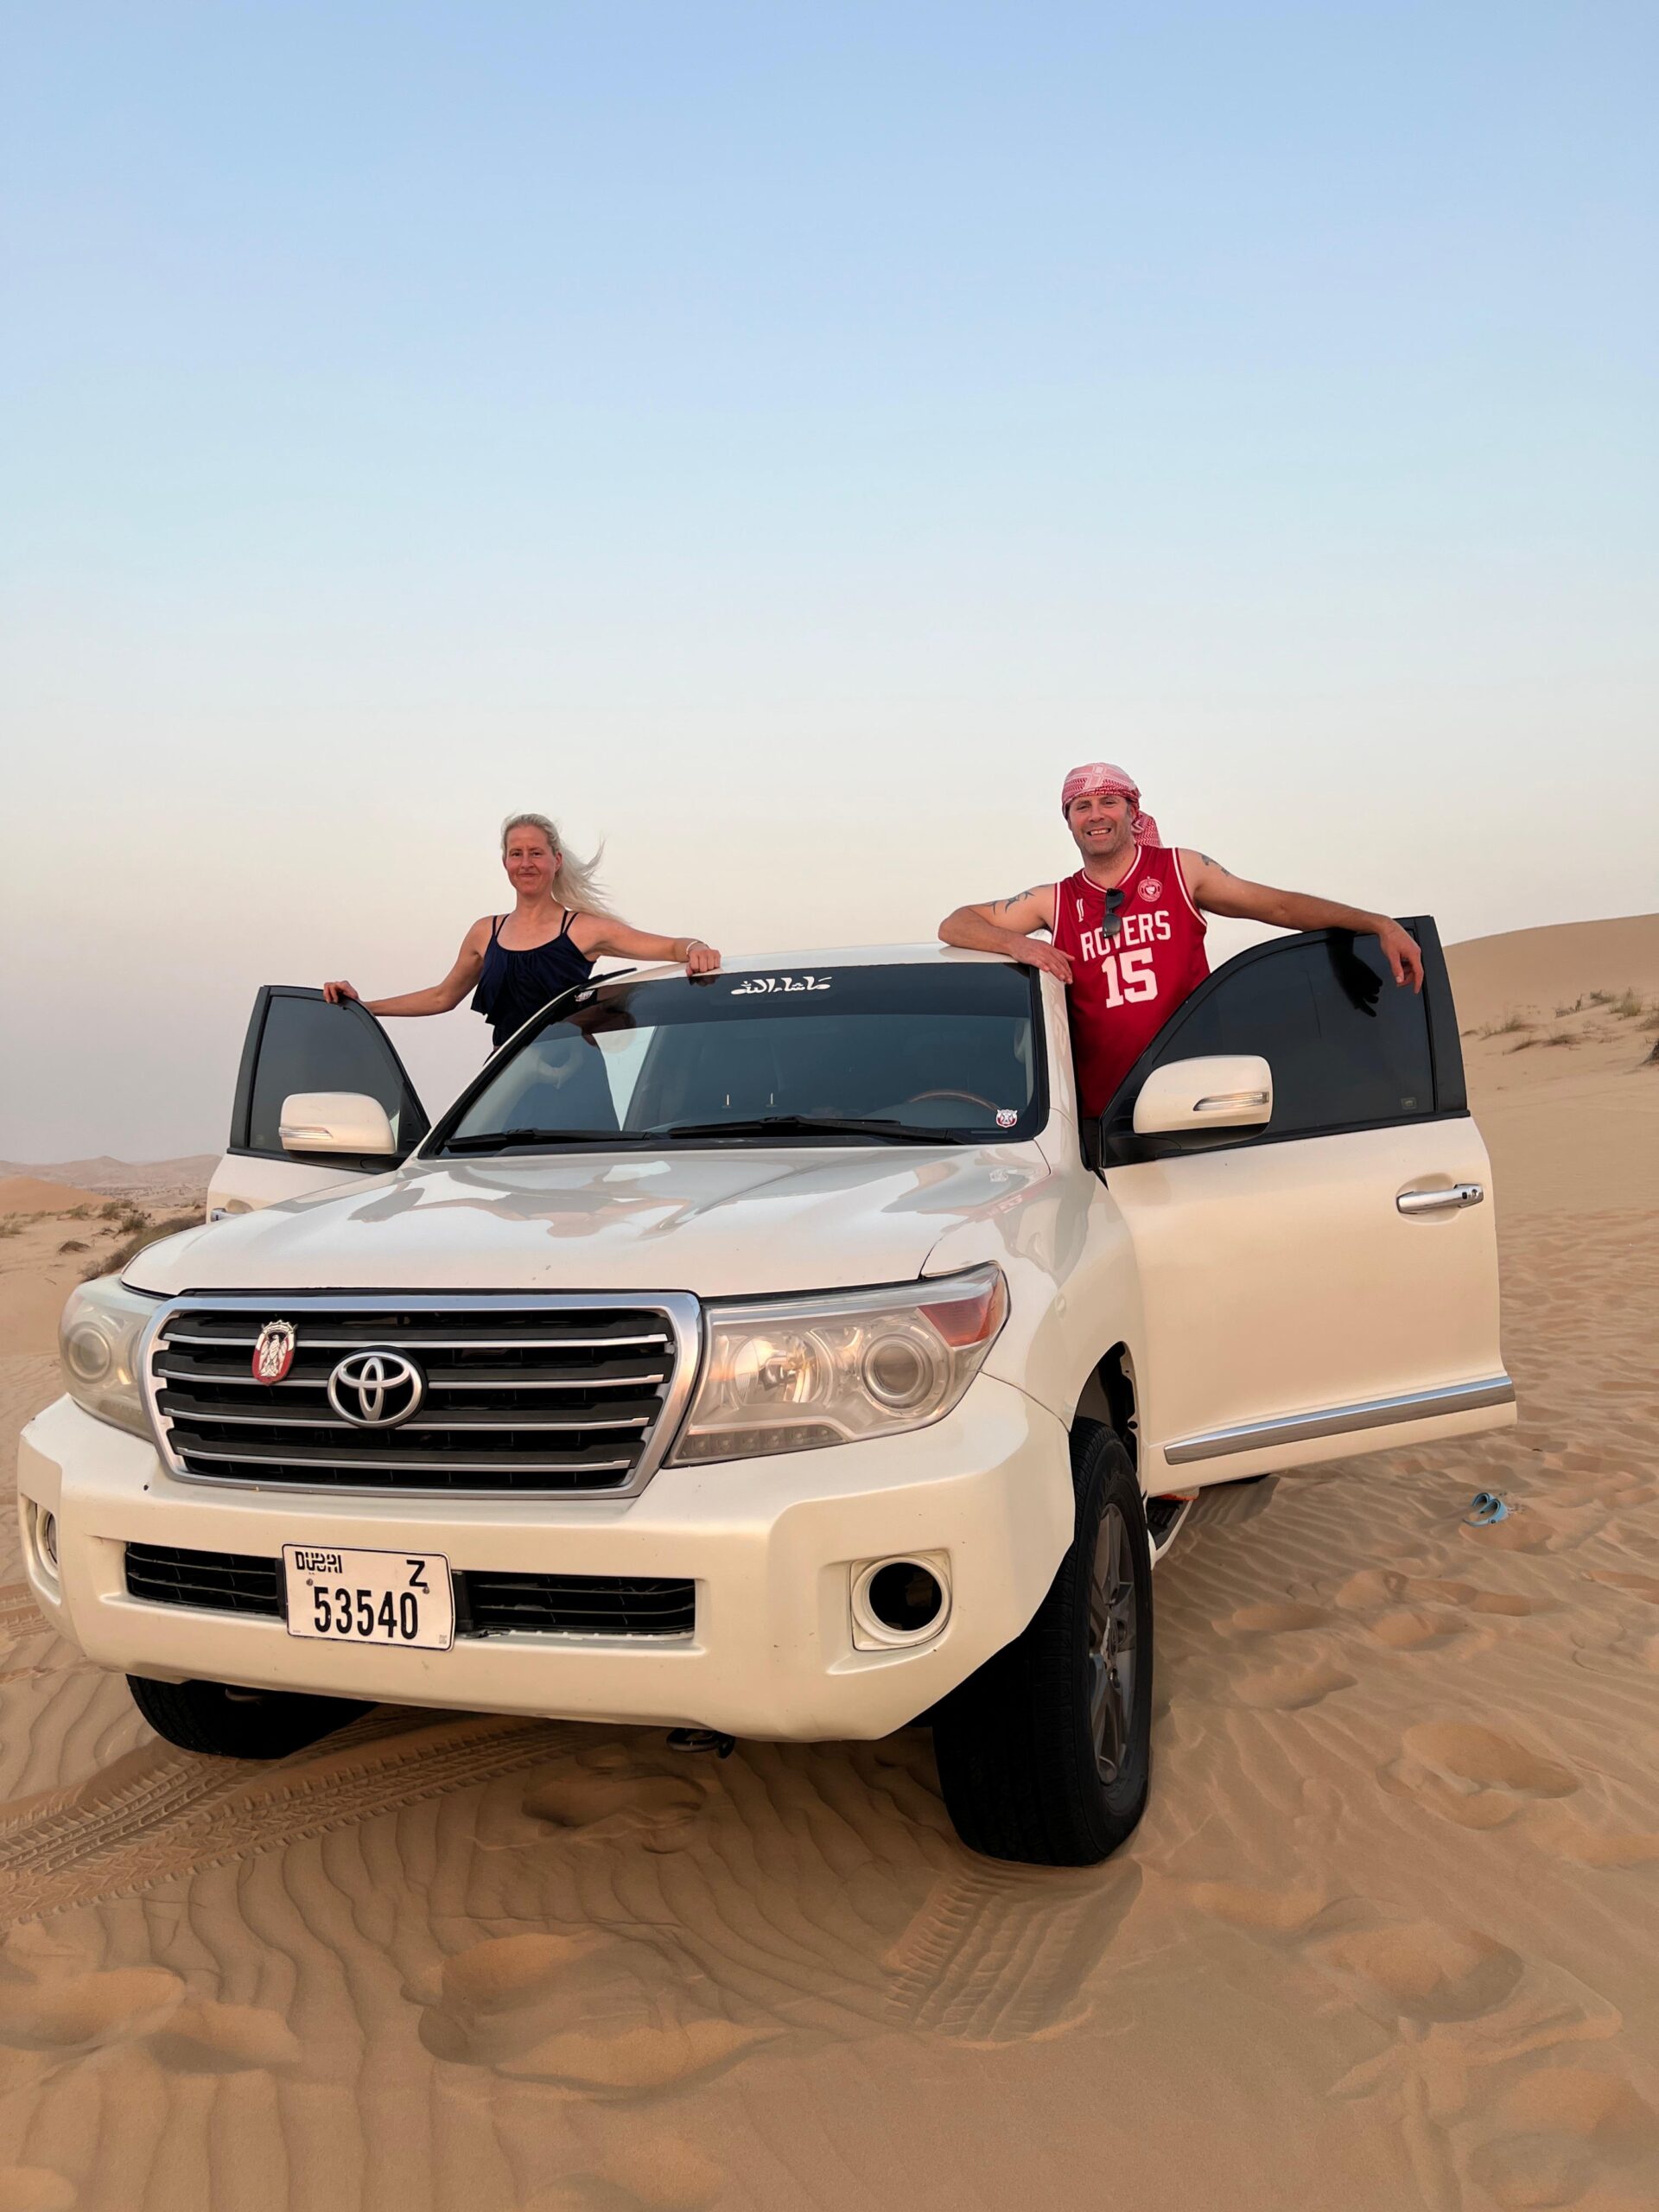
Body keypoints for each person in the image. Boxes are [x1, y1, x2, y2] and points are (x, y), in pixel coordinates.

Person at [938, 762, 1423, 1122]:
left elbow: (1278, 907)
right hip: (1104, 1114)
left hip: (1195, 1102)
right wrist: (1019, 945)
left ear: (1132, 811)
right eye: (1081, 807)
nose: (1096, 814)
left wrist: (1375, 923)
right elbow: (956, 923)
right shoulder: (1055, 901)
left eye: (1109, 802)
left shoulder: (1180, 871)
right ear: (1069, 821)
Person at [324, 811, 721, 1051]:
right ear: (505, 863)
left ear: (556, 861)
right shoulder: (485, 932)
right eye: (517, 853)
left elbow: (670, 946)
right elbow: (443, 997)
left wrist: (696, 948)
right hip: (506, 1081)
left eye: (536, 853)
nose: (526, 863)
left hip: (574, 1077)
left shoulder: (584, 929)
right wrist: (364, 1007)